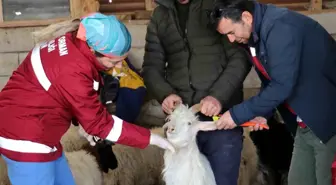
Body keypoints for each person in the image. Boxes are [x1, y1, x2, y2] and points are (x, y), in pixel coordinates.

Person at [0, 12, 174, 185]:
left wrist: (82, 121)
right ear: (94, 50)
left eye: (123, 60)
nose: (120, 67)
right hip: (26, 140)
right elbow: (100, 124)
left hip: (44, 131)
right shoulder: (73, 69)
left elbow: (61, 93)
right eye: (114, 62)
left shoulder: (74, 43)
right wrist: (150, 137)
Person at [210, 0, 336, 185]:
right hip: (305, 123)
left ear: (246, 17)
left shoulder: (279, 27)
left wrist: (236, 115)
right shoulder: (255, 36)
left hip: (325, 119)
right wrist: (262, 113)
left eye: (231, 32)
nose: (230, 39)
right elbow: (271, 81)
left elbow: (281, 85)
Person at [142, 0, 251, 184]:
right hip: (181, 123)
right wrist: (165, 94)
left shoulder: (218, 5)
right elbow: (151, 67)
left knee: (221, 179)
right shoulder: (160, 16)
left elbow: (240, 58)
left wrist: (218, 96)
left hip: (219, 121)